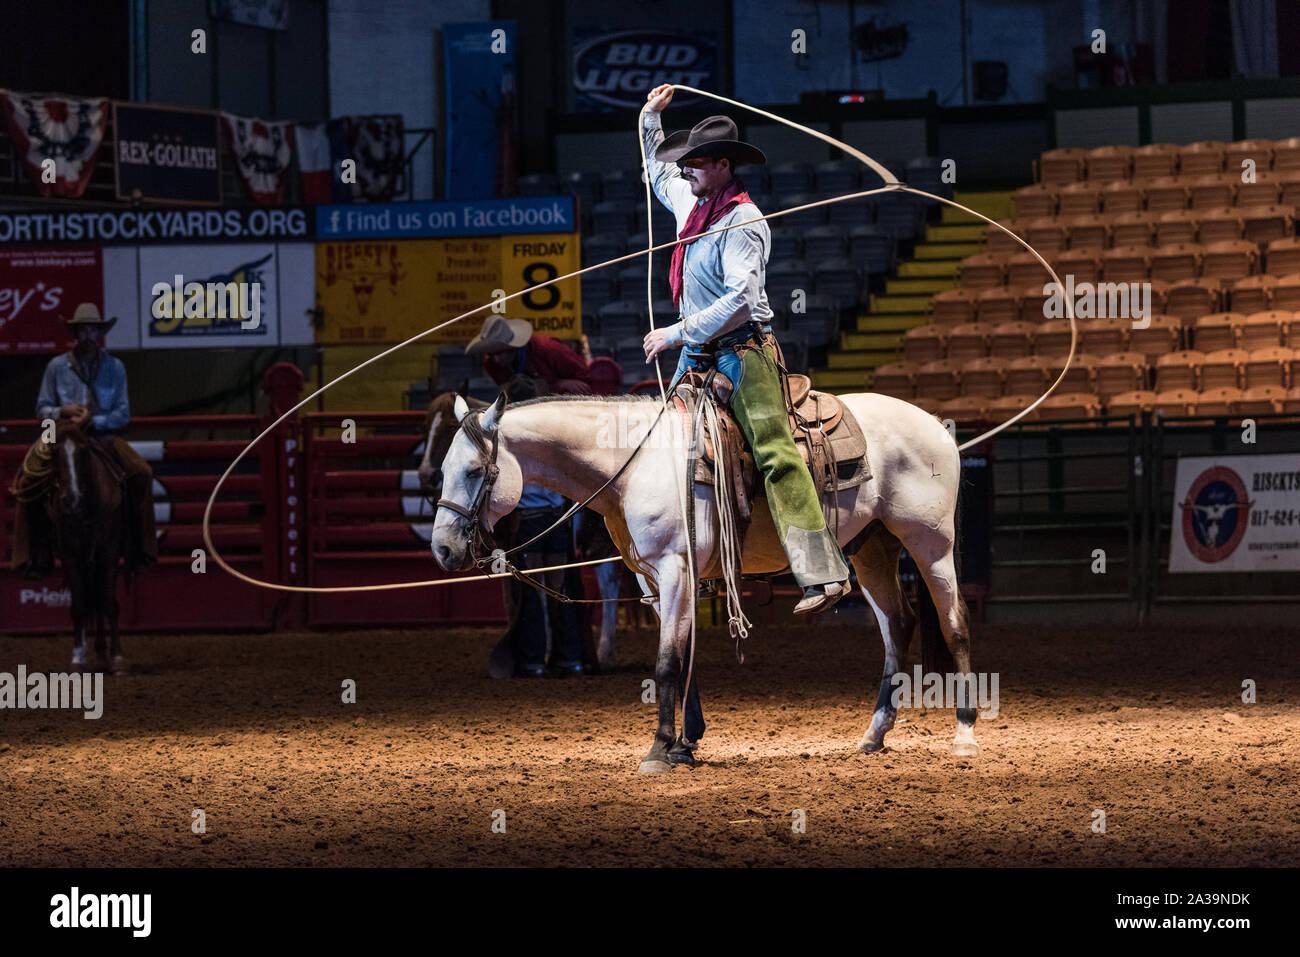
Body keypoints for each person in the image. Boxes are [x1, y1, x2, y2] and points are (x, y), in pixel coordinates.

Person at [639, 83, 852, 615]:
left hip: (743, 349)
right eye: (685, 164)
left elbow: (741, 300)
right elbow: (655, 167)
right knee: (669, 452)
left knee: (774, 452)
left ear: (723, 166)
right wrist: (648, 118)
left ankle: (822, 572)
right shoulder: (689, 201)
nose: (684, 170)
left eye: (695, 164)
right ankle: (691, 563)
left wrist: (676, 332)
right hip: (698, 353)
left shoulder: (743, 222)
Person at [9, 303, 157, 578]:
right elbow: (42, 410)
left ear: (99, 333)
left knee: (142, 473)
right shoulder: (56, 366)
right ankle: (32, 555)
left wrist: (94, 420)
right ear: (75, 333)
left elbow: (123, 413)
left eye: (93, 330)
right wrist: (62, 412)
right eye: (83, 330)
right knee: (26, 479)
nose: (88, 335)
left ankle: (140, 548)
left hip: (103, 435)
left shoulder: (115, 367)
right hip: (62, 434)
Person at [465, 315, 593, 395]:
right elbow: (514, 392)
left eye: (500, 352)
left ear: (513, 348)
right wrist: (558, 384)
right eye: (491, 354)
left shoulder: (547, 348)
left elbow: (585, 376)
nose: (496, 359)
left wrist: (562, 385)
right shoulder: (491, 363)